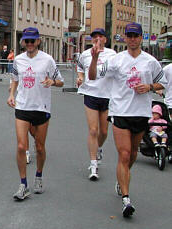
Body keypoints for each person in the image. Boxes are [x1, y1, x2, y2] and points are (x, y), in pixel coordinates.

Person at [88, 22, 166, 217]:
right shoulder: (116, 60)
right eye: (129, 35)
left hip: (140, 113)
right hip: (120, 112)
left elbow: (162, 83)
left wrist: (149, 86)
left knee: (131, 155)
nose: (132, 39)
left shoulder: (150, 61)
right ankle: (126, 199)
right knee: (124, 154)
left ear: (141, 38)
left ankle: (121, 179)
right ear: (125, 37)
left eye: (135, 35)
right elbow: (93, 75)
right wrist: (95, 59)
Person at [7, 27, 64, 200]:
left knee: (39, 147)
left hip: (41, 107)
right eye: (27, 41)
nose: (29, 44)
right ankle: (23, 184)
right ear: (23, 42)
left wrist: (52, 81)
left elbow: (61, 81)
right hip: (23, 106)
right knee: (21, 146)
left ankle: (38, 175)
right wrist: (11, 94)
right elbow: (15, 79)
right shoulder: (18, 60)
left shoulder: (47, 60)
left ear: (38, 41)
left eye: (33, 41)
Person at [76, 28, 116, 181]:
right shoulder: (85, 55)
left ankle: (98, 148)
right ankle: (93, 164)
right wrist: (80, 78)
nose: (97, 39)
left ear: (105, 39)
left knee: (104, 132)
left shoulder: (112, 55)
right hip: (91, 93)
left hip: (107, 95)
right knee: (93, 130)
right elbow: (80, 69)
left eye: (100, 36)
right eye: (94, 37)